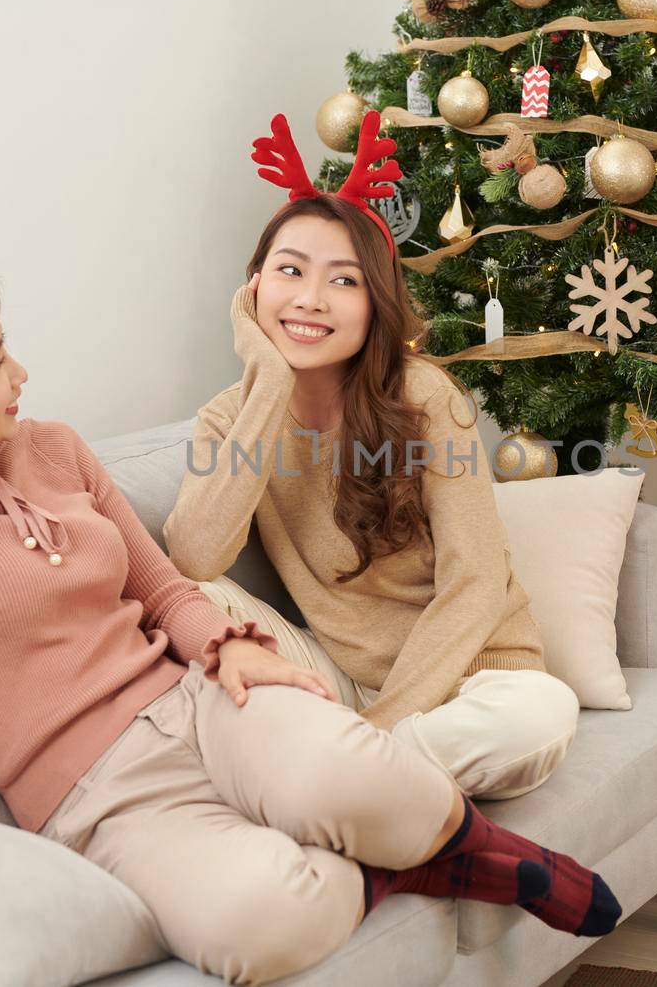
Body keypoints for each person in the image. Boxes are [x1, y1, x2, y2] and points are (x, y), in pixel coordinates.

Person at [0, 175, 619, 986]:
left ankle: (459, 846)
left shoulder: (52, 450)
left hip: (202, 696)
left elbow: (169, 584)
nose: (23, 373)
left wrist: (219, 647)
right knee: (264, 924)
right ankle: (410, 869)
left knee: (377, 781)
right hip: (95, 793)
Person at [166, 112, 580, 801]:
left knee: (540, 719)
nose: (309, 299)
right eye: (289, 272)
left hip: (470, 679)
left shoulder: (423, 398)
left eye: (344, 281)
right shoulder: (229, 416)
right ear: (253, 288)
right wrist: (268, 381)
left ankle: (342, 776)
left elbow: (475, 582)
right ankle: (362, 782)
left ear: (375, 302)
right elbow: (194, 557)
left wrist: (378, 729)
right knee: (191, 597)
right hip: (339, 676)